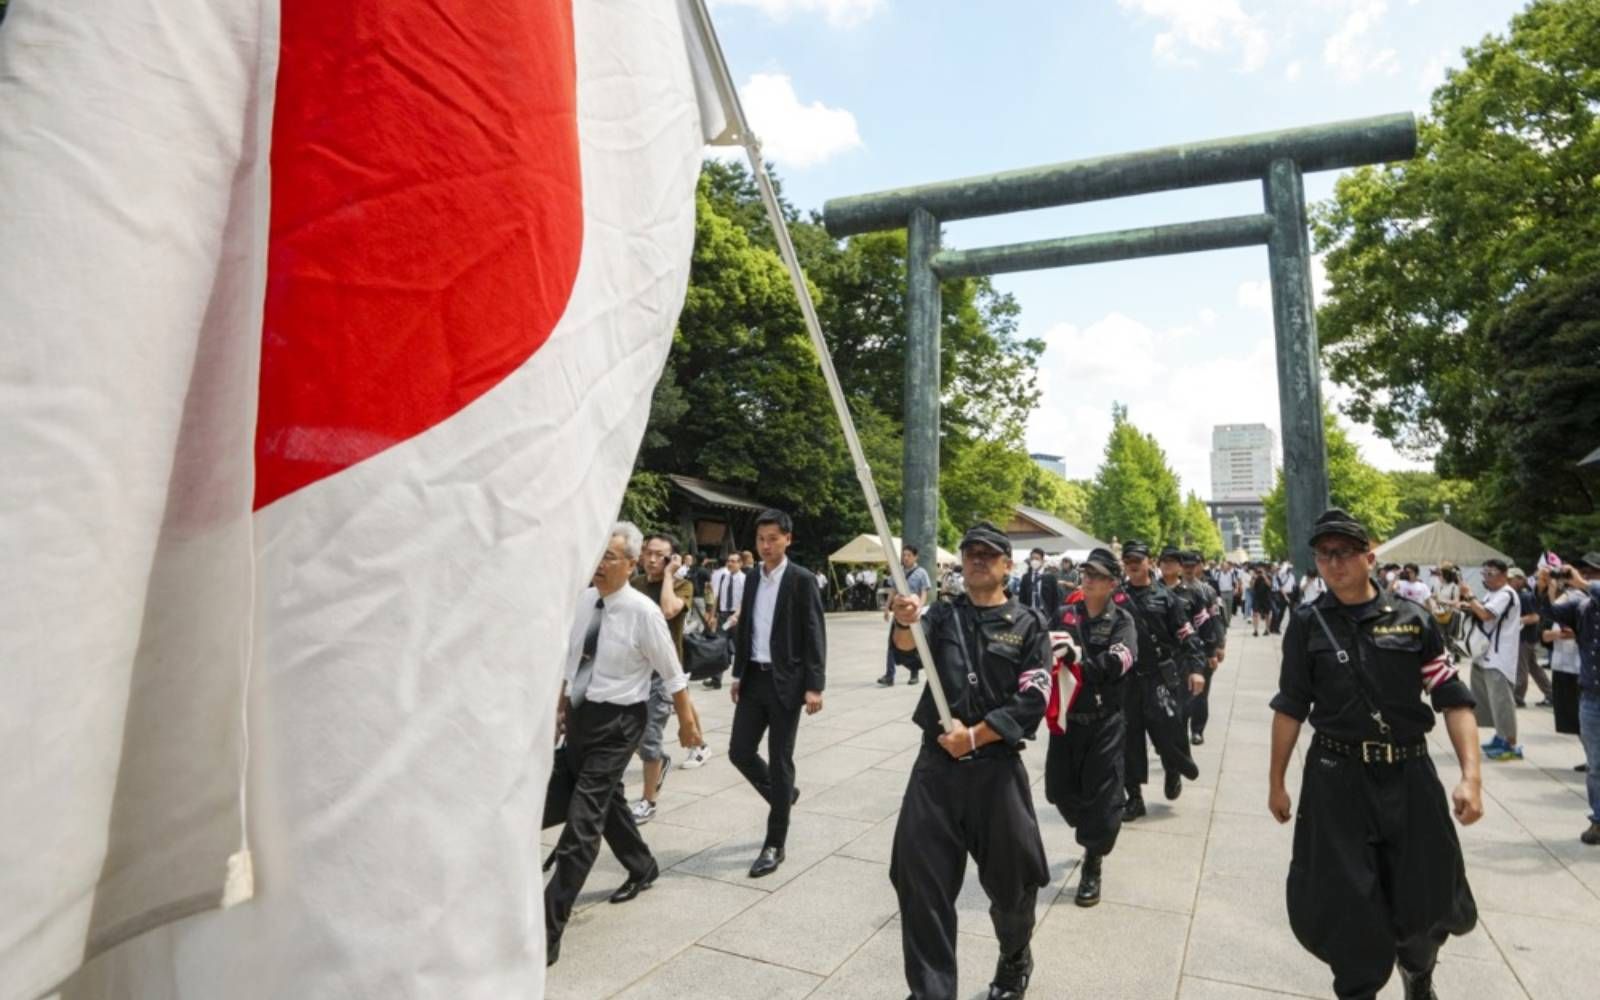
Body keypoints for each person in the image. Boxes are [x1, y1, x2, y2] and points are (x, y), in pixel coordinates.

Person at [1268, 508, 1482, 1000]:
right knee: (1347, 900)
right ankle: (1358, 987)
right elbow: (1290, 706)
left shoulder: (1414, 620)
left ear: (1370, 556)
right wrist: (1276, 781)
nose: (1334, 563)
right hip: (1335, 777)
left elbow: (1452, 696)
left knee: (1426, 897)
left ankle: (1418, 969)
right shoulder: (1306, 623)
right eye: (1324, 555)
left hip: (1409, 775)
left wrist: (1471, 777)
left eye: (1344, 552)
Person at [886, 521, 1053, 1000]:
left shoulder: (1028, 625)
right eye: (970, 552)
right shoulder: (940, 616)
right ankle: (931, 992)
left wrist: (976, 737)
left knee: (1014, 886)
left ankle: (1014, 955)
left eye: (988, 553)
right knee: (920, 883)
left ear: (1007, 565)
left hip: (996, 771)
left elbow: (1033, 699)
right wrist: (903, 620)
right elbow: (906, 652)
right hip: (936, 768)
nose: (977, 559)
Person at [546, 522, 703, 966]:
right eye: (597, 555)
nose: (598, 564)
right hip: (581, 717)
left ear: (631, 565)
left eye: (609, 558)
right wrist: (561, 707)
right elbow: (572, 660)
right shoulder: (584, 602)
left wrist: (688, 723)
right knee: (596, 803)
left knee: (582, 827)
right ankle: (641, 865)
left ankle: (546, 927)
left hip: (618, 724)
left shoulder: (642, 611)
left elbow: (672, 673)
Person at [729, 508, 827, 878]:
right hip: (754, 677)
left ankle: (774, 843)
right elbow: (746, 630)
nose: (766, 545)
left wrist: (815, 685)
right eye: (761, 539)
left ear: (788, 539)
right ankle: (784, 797)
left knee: (780, 759)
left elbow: (815, 632)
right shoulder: (752, 579)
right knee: (739, 751)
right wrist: (738, 673)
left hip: (787, 683)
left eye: (773, 538)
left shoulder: (802, 580)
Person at [1045, 547, 1136, 908]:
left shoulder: (1123, 621)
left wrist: (1079, 658)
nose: (1089, 579)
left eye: (1098, 575)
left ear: (1113, 583)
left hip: (1104, 722)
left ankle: (1092, 863)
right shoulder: (1065, 613)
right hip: (1067, 721)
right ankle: (1093, 829)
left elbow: (1120, 661)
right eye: (1086, 573)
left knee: (1101, 796)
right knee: (1058, 791)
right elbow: (1042, 647)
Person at [1117, 541, 1204, 820]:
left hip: (1159, 678)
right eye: (1128, 559)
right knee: (1129, 738)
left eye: (1138, 559)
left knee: (1168, 729)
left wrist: (1196, 667)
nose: (1132, 563)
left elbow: (1186, 633)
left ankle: (1172, 767)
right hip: (1127, 679)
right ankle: (1134, 797)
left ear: (1148, 562)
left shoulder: (1166, 597)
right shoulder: (1116, 597)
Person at [628, 532, 706, 821]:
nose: (651, 559)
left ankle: (648, 801)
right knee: (630, 736)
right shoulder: (634, 584)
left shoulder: (682, 586)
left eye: (659, 555)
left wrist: (670, 576)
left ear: (671, 558)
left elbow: (667, 610)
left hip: (663, 675)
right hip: (634, 671)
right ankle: (659, 762)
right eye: (647, 552)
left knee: (649, 738)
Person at [1539, 555, 1600, 845]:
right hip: (1591, 696)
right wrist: (1546, 587)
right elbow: (1552, 613)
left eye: (1594, 572)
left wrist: (1582, 582)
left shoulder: (1590, 592)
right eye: (1586, 571)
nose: (1589, 576)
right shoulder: (1582, 604)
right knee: (1596, 764)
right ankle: (1599, 820)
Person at [1463, 558, 1524, 761]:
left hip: (1499, 656)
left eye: (1490, 574)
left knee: (1502, 701)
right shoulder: (1493, 593)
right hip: (1484, 655)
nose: (1486, 578)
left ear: (1504, 575)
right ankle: (1500, 736)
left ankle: (1511, 744)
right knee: (1487, 700)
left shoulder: (1506, 593)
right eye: (1484, 574)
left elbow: (1486, 615)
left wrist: (1470, 597)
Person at [1180, 550, 1227, 746]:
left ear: (1200, 566)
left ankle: (1197, 730)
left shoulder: (1208, 591)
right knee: (1180, 694)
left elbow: (1216, 619)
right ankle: (1177, 732)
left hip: (1202, 647)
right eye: (1186, 565)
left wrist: (1219, 646)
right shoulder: (1171, 590)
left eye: (1194, 565)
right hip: (1180, 649)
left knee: (1200, 692)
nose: (1190, 569)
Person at [880, 544, 933, 687]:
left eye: (909, 555)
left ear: (916, 557)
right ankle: (889, 675)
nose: (906, 558)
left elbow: (924, 592)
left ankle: (914, 673)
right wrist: (887, 607)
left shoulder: (921, 573)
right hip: (899, 613)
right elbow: (892, 590)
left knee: (914, 645)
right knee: (892, 643)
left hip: (913, 613)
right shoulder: (898, 573)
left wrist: (919, 608)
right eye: (904, 555)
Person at [1508, 567, 1551, 708]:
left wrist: (1515, 621)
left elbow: (1535, 617)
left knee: (1521, 669)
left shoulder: (1524, 596)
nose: (1508, 581)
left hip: (1524, 638)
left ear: (1521, 580)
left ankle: (1517, 698)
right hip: (1525, 638)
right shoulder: (1518, 595)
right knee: (1534, 668)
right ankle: (1551, 694)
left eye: (1511, 579)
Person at [706, 551, 746, 690]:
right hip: (723, 616)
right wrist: (712, 616)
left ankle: (742, 678)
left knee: (740, 648)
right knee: (719, 647)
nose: (730, 563)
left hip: (737, 617)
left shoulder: (744, 579)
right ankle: (716, 679)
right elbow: (718, 598)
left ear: (741, 563)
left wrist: (736, 615)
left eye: (733, 561)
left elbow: (745, 600)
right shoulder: (724, 577)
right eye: (729, 561)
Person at [1018, 547, 1061, 621]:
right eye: (1032, 559)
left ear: (1042, 560)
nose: (1034, 561)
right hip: (1030, 614)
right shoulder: (1026, 577)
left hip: (1045, 613)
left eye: (1037, 559)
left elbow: (1056, 598)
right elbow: (1022, 599)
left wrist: (1054, 616)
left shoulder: (1050, 577)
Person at [1250, 565, 1273, 637]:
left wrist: (1264, 576)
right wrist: (1254, 578)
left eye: (1261, 570)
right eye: (1258, 570)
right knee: (1255, 613)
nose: (1259, 572)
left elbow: (1270, 585)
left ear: (1264, 570)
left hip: (1266, 597)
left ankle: (1267, 629)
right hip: (1257, 597)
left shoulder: (1268, 576)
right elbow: (1251, 586)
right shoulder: (1255, 577)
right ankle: (1255, 630)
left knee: (1267, 614)